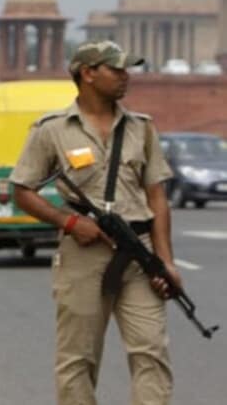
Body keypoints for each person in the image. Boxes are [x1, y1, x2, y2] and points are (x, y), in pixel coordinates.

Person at [10, 40, 178, 405]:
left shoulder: (142, 129)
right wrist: (69, 222)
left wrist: (165, 260)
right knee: (78, 359)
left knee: (151, 352)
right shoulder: (52, 129)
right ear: (87, 74)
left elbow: (157, 198)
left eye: (126, 69)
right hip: (84, 253)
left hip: (139, 253)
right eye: (116, 69)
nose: (125, 76)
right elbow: (21, 190)